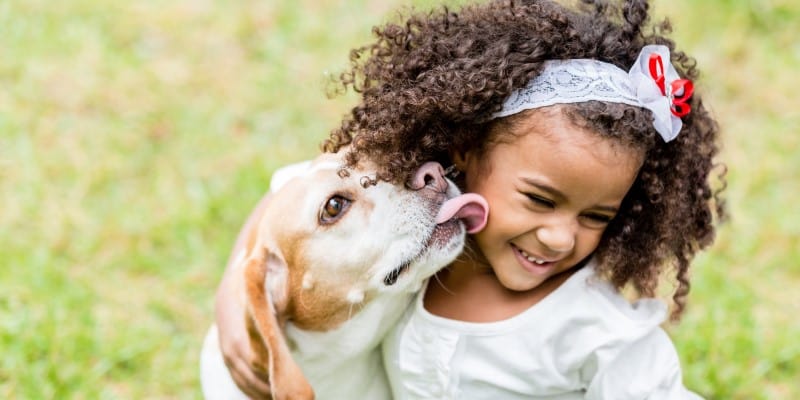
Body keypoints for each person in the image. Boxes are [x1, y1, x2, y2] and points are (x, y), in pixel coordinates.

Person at [215, 0, 725, 398]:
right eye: (540, 199)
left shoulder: (595, 330)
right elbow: (295, 192)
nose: (559, 235)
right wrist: (242, 292)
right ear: (465, 149)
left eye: (596, 216)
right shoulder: (429, 212)